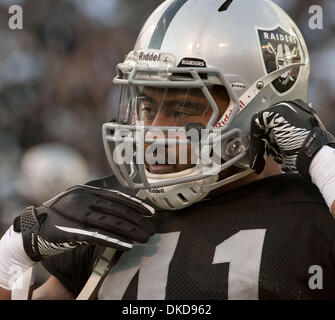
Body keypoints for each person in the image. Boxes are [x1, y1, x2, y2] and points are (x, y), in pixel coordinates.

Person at [1, 0, 335, 300]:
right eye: (147, 106)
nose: (151, 134)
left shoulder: (313, 215)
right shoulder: (110, 214)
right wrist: (14, 252)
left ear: (259, 108)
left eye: (182, 109)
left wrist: (322, 159)